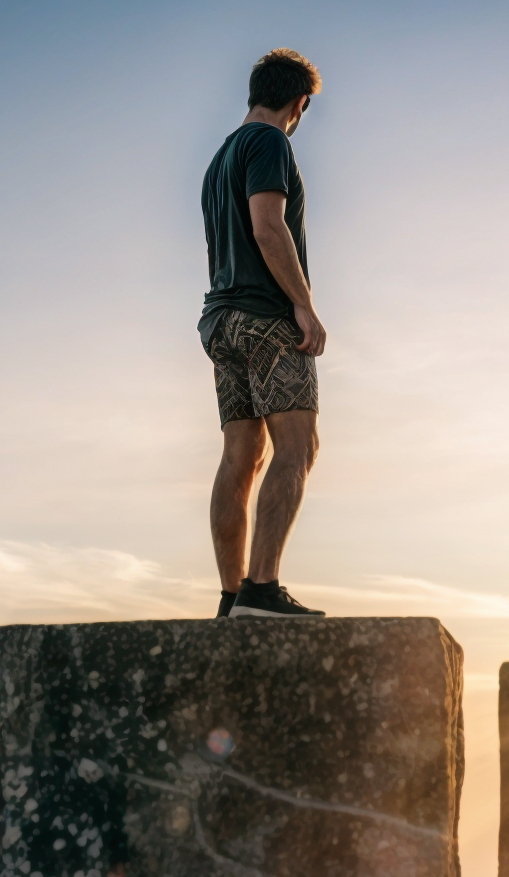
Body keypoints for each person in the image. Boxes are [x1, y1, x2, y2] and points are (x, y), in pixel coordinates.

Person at [200, 49, 328, 618]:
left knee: (241, 456)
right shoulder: (271, 143)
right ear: (299, 102)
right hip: (266, 318)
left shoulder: (218, 157)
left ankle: (232, 597)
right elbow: (267, 225)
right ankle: (262, 589)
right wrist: (303, 306)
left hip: (221, 320)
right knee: (298, 447)